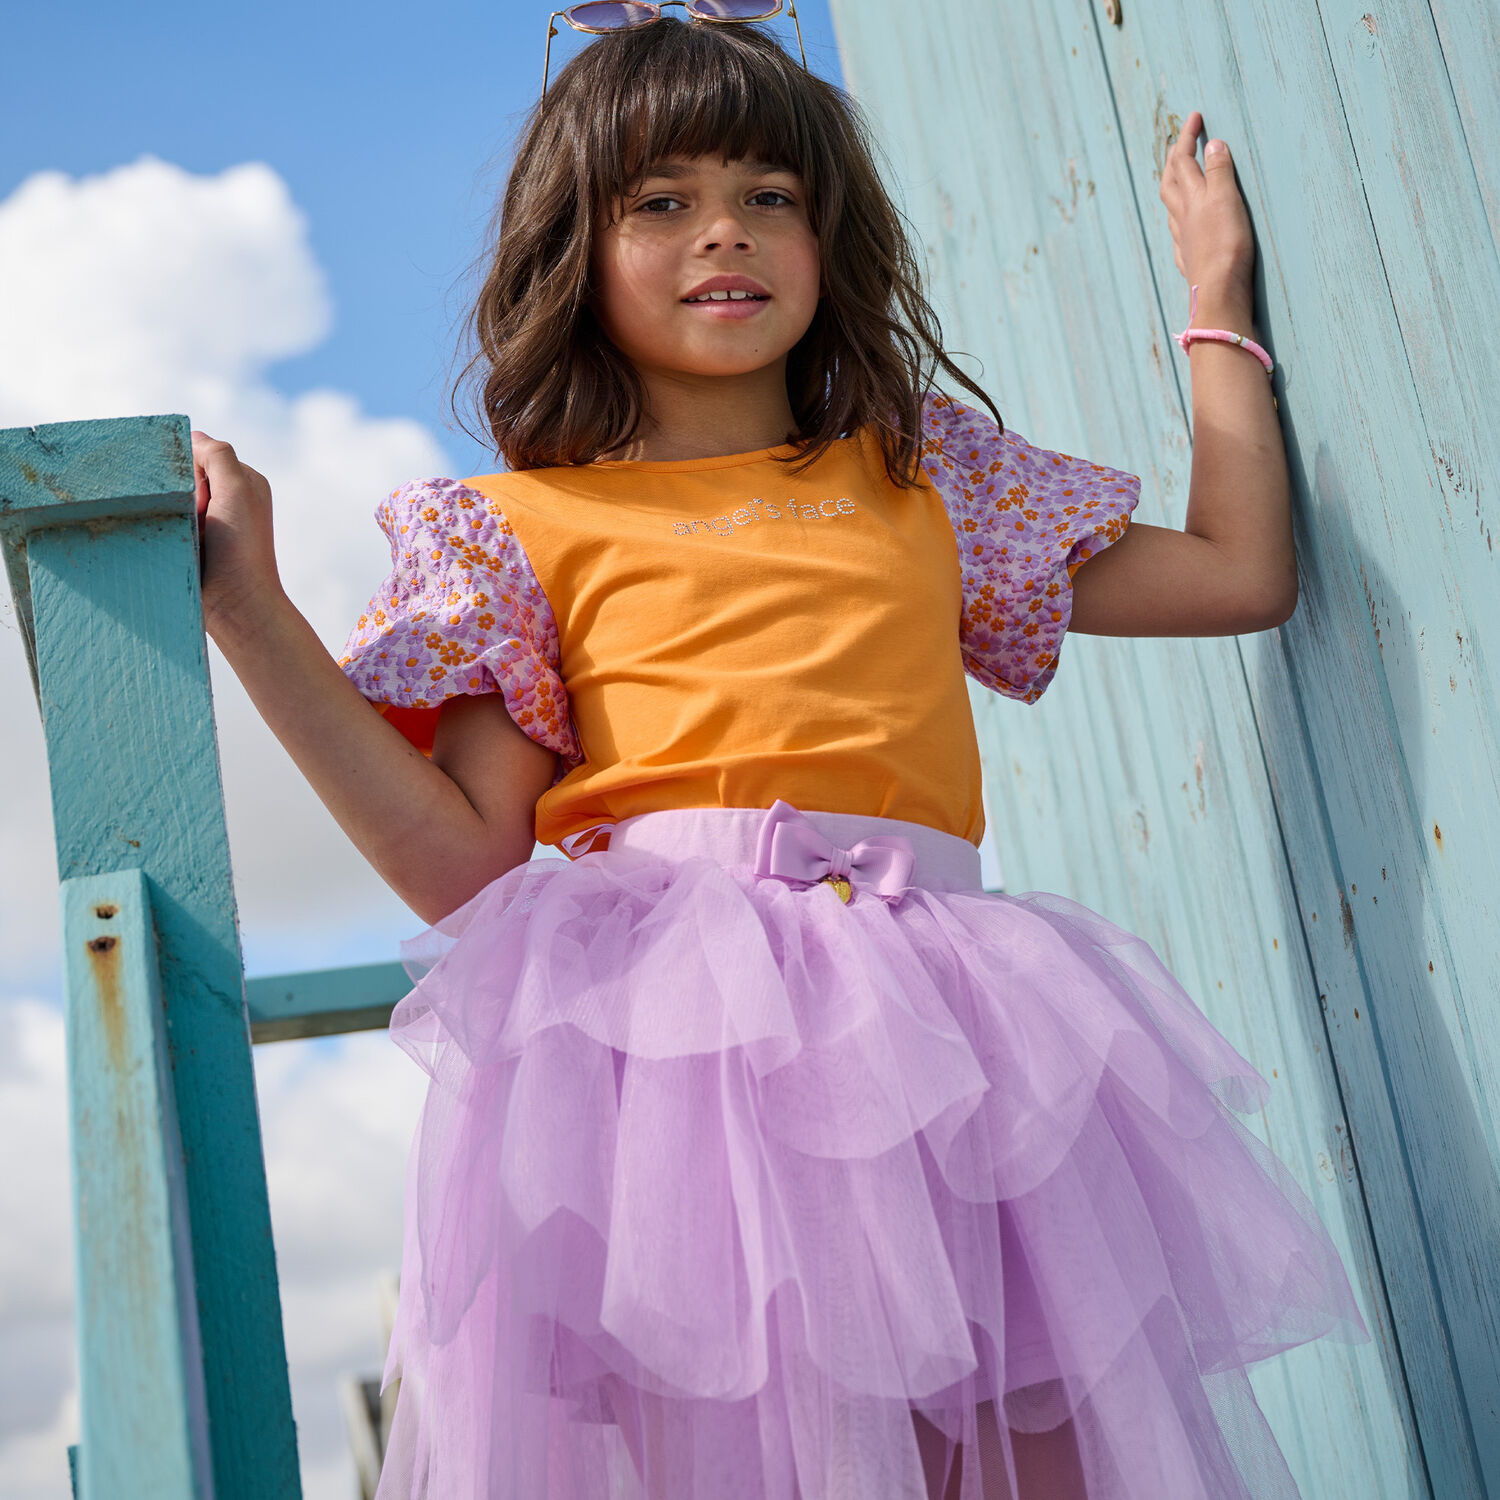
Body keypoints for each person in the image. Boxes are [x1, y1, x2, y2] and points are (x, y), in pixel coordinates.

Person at [193, 14, 1369, 1499]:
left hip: (953, 1051)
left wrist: (1215, 301)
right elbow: (459, 866)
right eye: (662, 201)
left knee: (1043, 1459)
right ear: (576, 246)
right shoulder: (509, 529)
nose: (724, 235)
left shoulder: (921, 474)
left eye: (771, 195)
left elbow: (1240, 574)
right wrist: (250, 609)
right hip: (684, 1077)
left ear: (827, 235)